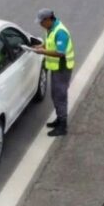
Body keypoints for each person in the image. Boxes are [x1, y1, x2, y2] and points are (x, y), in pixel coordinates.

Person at [30, 8, 74, 137]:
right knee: (55, 95)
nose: (40, 24)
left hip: (62, 68)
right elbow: (50, 44)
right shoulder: (51, 29)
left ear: (49, 19)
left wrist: (42, 52)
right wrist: (41, 46)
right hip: (56, 69)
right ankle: (59, 119)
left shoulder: (60, 32)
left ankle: (62, 126)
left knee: (60, 96)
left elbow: (60, 52)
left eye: (41, 22)